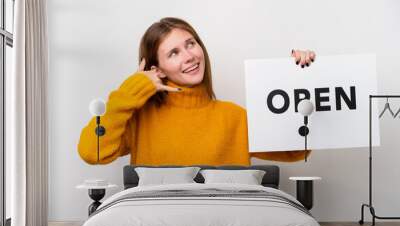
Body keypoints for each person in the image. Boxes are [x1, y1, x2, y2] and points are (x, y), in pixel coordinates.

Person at [78, 17, 314, 166]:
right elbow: (92, 152)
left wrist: (298, 79)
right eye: (174, 53)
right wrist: (131, 91)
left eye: (190, 44)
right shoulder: (139, 120)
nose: (189, 56)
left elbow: (296, 150)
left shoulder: (235, 118)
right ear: (156, 70)